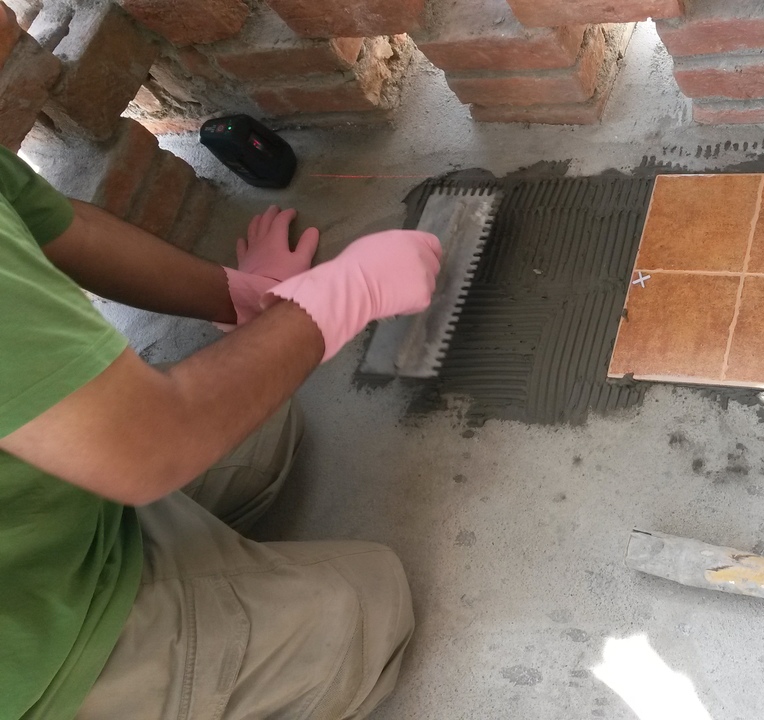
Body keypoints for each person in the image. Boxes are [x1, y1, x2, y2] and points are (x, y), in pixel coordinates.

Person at [0, 144, 441, 719]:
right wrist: (339, 297)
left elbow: (61, 226)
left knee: (265, 422)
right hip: (31, 661)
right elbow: (147, 447)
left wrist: (244, 297)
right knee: (365, 607)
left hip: (40, 520)